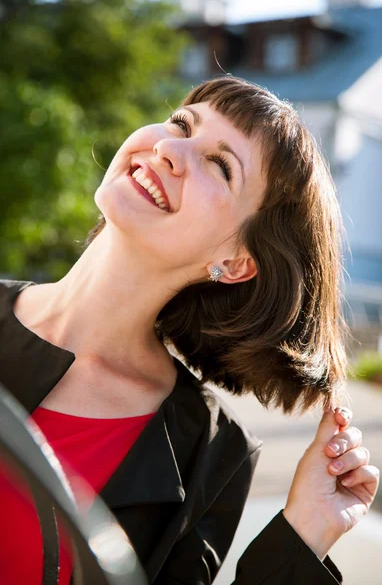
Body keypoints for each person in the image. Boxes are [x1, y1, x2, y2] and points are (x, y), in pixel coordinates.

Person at [0, 75, 379, 585]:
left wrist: (306, 531)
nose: (170, 149)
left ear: (237, 261)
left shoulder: (209, 451)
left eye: (221, 166)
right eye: (182, 124)